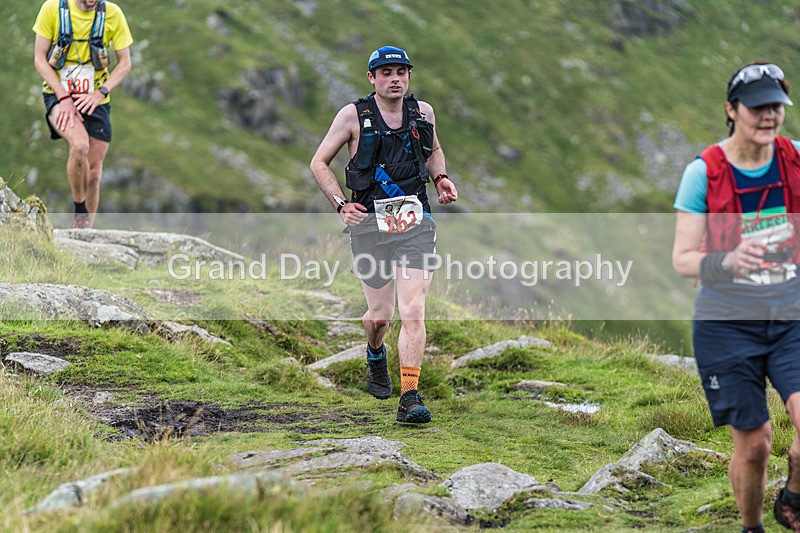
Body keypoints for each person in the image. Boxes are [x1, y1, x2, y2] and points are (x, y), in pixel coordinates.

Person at [672, 62, 800, 532]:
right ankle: (752, 527)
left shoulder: (796, 160)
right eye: (757, 106)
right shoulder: (704, 172)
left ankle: (793, 498)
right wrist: (726, 260)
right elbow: (683, 259)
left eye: (776, 106)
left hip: (791, 316)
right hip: (727, 324)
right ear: (732, 109)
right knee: (756, 444)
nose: (769, 115)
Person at [310, 45, 457, 424]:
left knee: (412, 309)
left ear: (408, 76)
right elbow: (319, 162)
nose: (395, 79)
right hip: (370, 225)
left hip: (414, 221)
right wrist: (341, 205)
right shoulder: (353, 116)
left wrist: (440, 179)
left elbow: (434, 150)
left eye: (401, 72)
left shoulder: (422, 113)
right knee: (380, 316)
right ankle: (376, 354)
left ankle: (410, 397)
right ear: (371, 78)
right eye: (386, 73)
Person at [33, 0, 133, 228]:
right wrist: (64, 98)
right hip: (58, 95)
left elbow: (125, 63)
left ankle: (86, 233)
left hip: (95, 98)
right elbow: (40, 59)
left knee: (95, 173)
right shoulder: (52, 9)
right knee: (79, 146)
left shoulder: (112, 14)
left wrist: (100, 94)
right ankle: (80, 211)